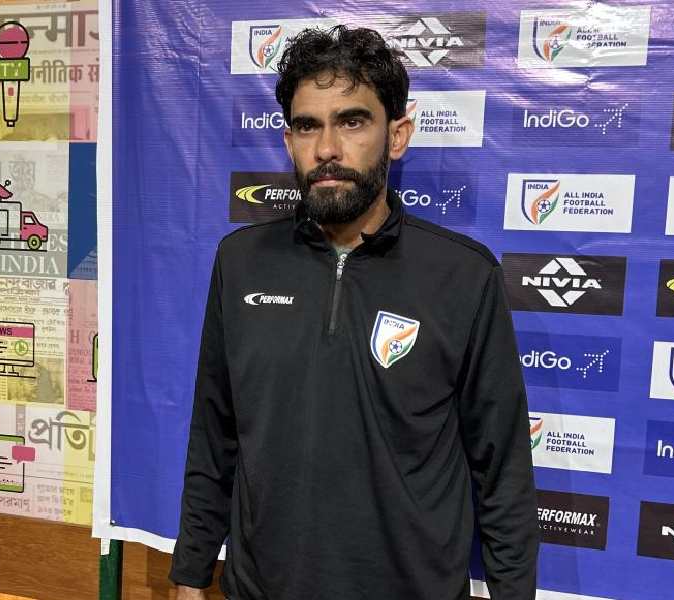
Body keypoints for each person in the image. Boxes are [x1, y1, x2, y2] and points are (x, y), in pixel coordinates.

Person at [170, 25, 539, 600]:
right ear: (289, 140)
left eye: (352, 121)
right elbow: (214, 433)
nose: (327, 150)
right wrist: (192, 572)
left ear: (397, 136)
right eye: (307, 126)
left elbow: (503, 467)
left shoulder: (463, 275)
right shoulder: (240, 261)